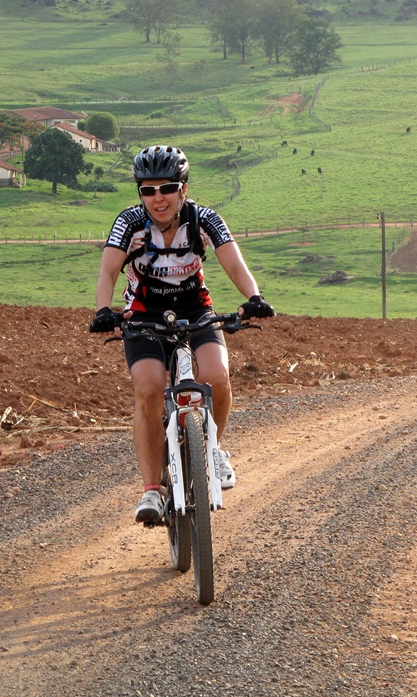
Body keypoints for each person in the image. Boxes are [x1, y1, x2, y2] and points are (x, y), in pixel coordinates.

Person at [90, 145, 275, 524]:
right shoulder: (128, 223)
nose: (158, 197)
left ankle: (214, 448)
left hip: (194, 309)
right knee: (148, 389)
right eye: (148, 189)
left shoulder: (204, 219)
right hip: (143, 313)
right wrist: (103, 310)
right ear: (140, 192)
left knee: (216, 377)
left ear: (184, 189)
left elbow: (233, 262)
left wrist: (254, 297)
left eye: (167, 187)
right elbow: (108, 271)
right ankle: (152, 491)